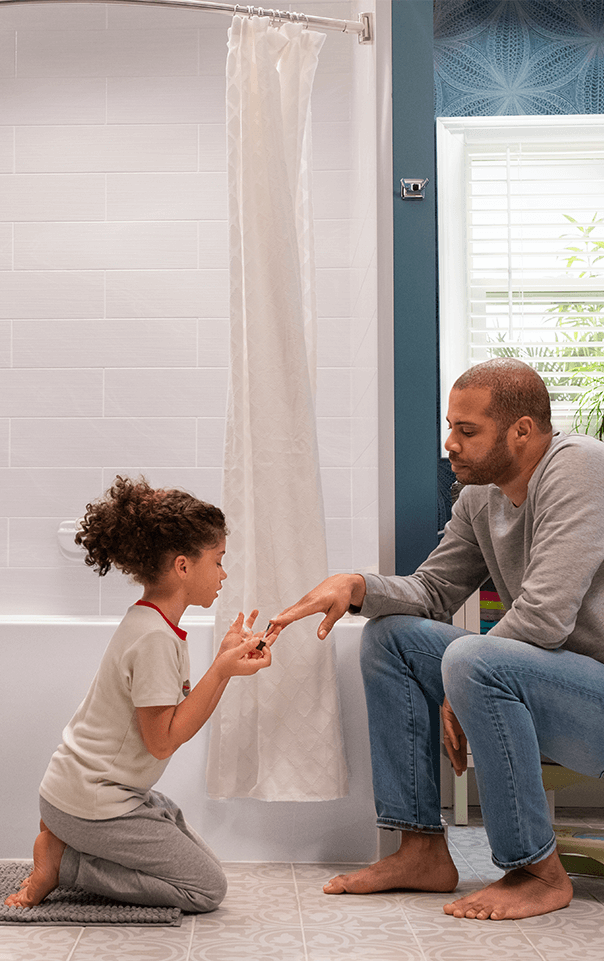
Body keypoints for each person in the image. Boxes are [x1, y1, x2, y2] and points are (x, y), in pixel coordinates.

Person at [267, 357, 604, 921]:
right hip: (545, 688)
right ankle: (420, 849)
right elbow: (432, 590)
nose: (451, 443)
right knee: (391, 637)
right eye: (451, 427)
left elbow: (544, 617)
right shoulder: (480, 496)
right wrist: (355, 587)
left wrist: (461, 680)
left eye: (467, 431)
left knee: (472, 658)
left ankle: (535, 870)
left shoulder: (581, 469)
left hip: (592, 702)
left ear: (522, 430)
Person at [5, 476, 271, 912]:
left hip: (86, 791)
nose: (224, 574)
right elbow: (162, 740)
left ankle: (67, 837)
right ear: (183, 566)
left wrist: (224, 665)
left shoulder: (151, 624)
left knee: (186, 842)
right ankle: (64, 861)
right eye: (219, 561)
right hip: (88, 800)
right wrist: (221, 670)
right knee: (206, 890)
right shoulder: (154, 639)